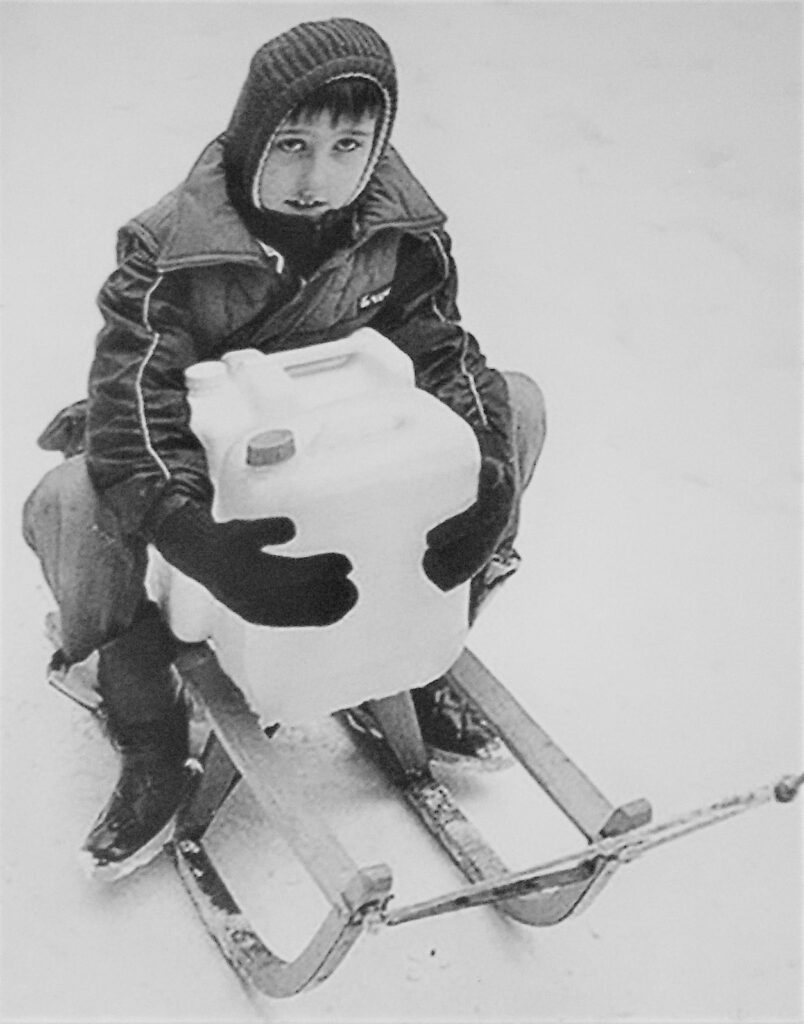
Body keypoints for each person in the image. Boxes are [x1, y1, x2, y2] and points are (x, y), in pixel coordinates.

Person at [22, 17, 546, 881]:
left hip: (337, 454)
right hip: (205, 464)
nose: (316, 177)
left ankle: (415, 648)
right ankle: (144, 714)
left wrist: (489, 484)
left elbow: (446, 356)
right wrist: (199, 543)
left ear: (378, 146)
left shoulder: (400, 235)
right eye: (292, 144)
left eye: (348, 145)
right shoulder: (167, 250)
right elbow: (133, 409)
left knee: (518, 406)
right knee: (74, 497)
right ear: (250, 135)